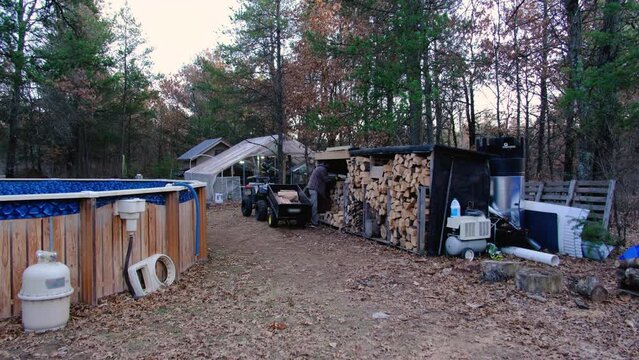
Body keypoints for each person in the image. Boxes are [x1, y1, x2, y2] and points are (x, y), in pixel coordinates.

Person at [306, 162, 331, 227]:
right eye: (328, 165)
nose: (328, 166)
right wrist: (335, 179)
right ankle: (314, 222)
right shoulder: (322, 169)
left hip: (312, 188)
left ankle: (312, 220)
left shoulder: (318, 168)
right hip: (314, 189)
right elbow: (326, 180)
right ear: (326, 164)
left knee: (313, 205)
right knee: (314, 206)